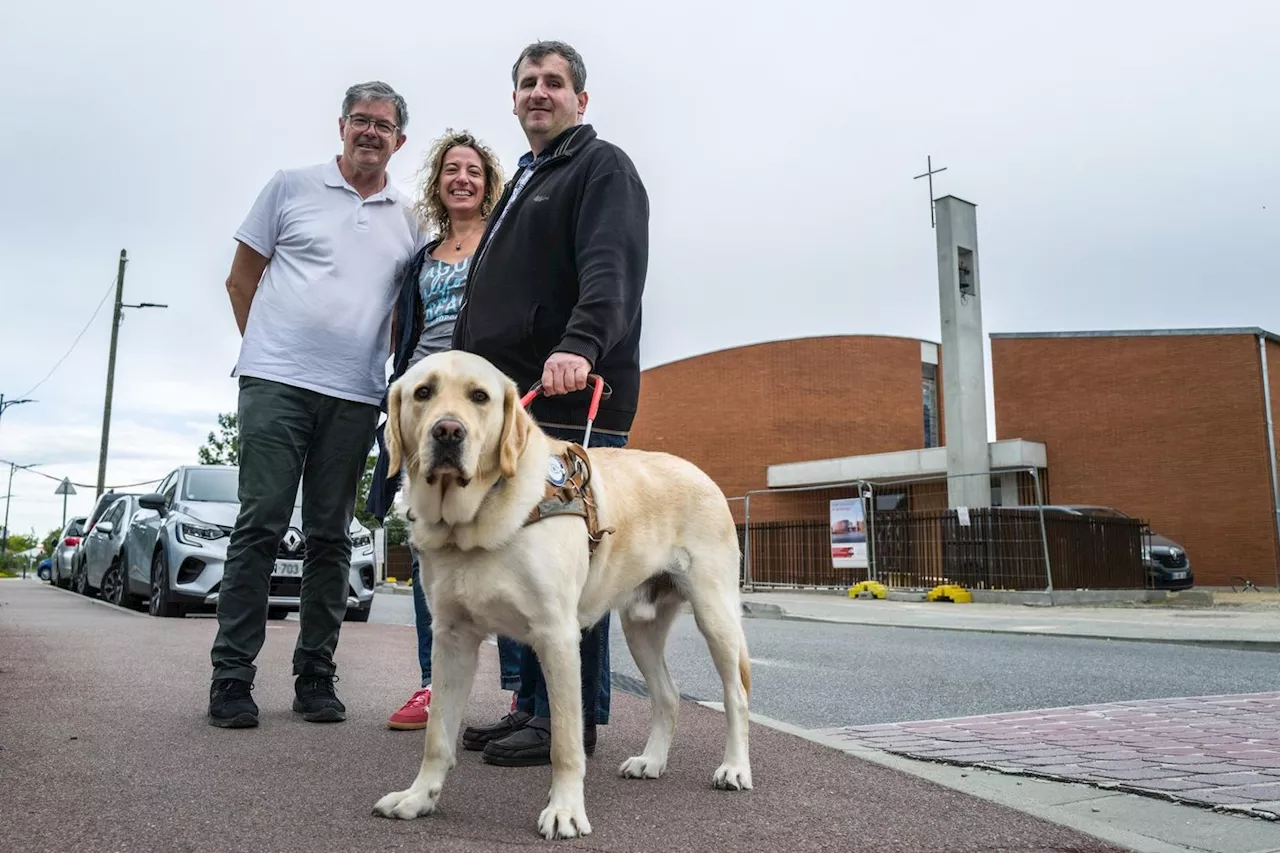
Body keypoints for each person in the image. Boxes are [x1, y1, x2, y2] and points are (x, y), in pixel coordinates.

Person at [452, 40, 650, 767]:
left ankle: (573, 723)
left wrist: (583, 344)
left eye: (555, 83)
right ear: (514, 99)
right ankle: (533, 706)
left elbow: (611, 264)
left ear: (580, 100)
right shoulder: (527, 180)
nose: (540, 92)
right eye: (528, 82)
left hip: (568, 392)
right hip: (513, 406)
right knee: (521, 554)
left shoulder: (601, 168)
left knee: (566, 552)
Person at [209, 81, 419, 729]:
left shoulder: (408, 219)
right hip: (275, 383)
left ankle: (315, 676)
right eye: (361, 120)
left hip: (355, 395)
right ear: (341, 126)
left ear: (399, 141)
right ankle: (232, 678)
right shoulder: (289, 186)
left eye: (383, 126)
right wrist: (271, 353)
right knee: (261, 523)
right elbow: (241, 277)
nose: (370, 133)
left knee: (331, 535)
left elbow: (399, 316)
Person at [363, 129, 521, 730]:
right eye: (452, 169)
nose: (463, 178)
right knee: (431, 547)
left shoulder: (504, 246)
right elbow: (405, 331)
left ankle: (516, 692)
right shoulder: (420, 260)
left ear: (488, 185)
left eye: (474, 171)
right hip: (426, 412)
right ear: (438, 182)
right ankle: (433, 686)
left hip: (478, 411)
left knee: (504, 550)